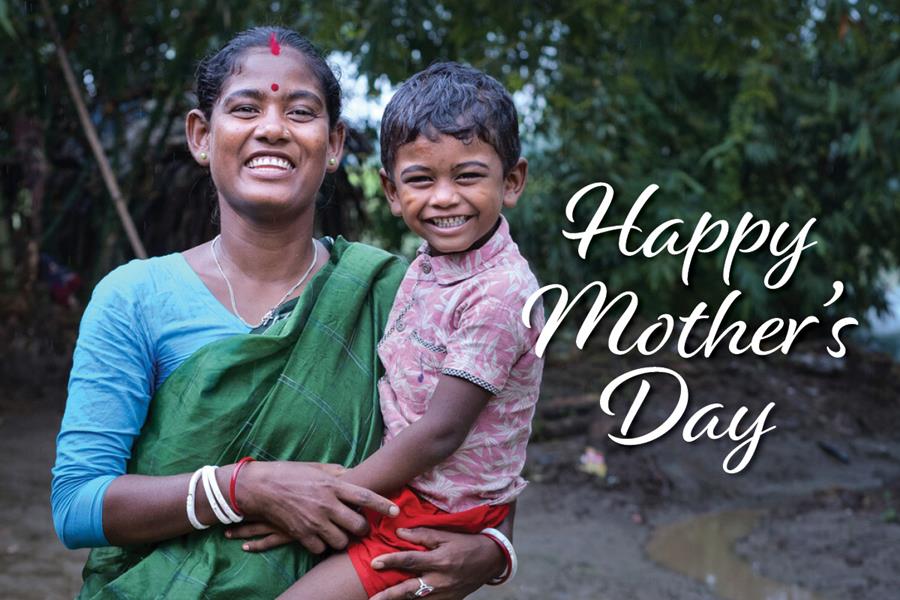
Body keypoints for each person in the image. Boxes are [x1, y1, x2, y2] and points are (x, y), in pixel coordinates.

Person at [51, 27, 514, 600]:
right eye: (246, 108)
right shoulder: (135, 297)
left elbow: (485, 441)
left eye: (301, 111)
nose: (272, 128)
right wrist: (241, 489)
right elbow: (76, 505)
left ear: (335, 143)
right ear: (201, 135)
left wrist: (495, 550)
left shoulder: (399, 292)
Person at [245, 62, 544, 599]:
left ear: (513, 181)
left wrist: (331, 495)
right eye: (421, 179)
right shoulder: (424, 267)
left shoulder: (501, 293)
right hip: (405, 487)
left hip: (436, 513)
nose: (445, 197)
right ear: (390, 189)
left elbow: (441, 433)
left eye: (468, 176)